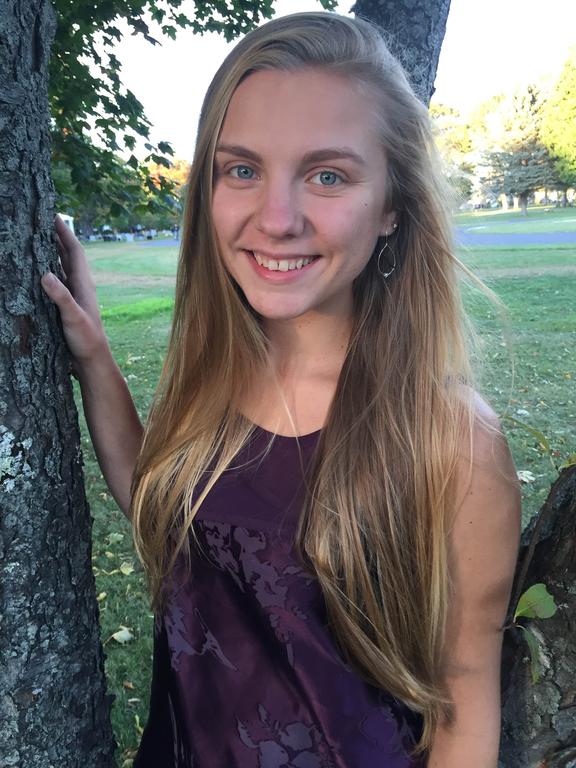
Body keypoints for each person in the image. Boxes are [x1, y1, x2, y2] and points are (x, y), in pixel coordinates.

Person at [41, 12, 521, 768]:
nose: (276, 219)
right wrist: (96, 359)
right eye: (242, 170)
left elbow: (462, 712)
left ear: (393, 207)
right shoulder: (215, 379)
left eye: (327, 176)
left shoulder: (449, 440)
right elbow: (176, 520)